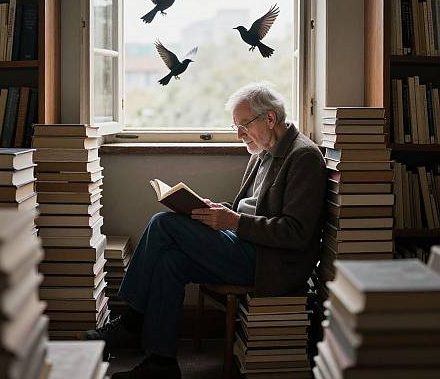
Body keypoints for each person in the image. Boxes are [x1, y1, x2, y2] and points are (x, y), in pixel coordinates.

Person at [85, 82, 327, 379]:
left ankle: (133, 321)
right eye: (236, 126)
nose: (239, 135)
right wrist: (215, 210)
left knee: (162, 224)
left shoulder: (303, 156)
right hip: (244, 242)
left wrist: (233, 222)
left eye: (243, 125)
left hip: (271, 262)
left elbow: (296, 233)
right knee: (169, 262)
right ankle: (162, 364)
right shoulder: (262, 151)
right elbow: (248, 208)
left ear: (270, 119)